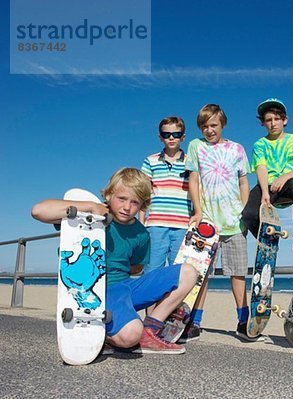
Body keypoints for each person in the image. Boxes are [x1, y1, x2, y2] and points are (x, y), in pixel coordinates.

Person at [31, 168, 198, 355]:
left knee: (189, 272)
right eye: (122, 199)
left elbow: (137, 268)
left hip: (126, 287)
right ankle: (106, 333)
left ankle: (150, 331)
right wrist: (91, 207)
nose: (127, 207)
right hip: (100, 290)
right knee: (130, 335)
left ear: (143, 204)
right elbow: (39, 211)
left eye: (135, 202)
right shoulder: (89, 219)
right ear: (109, 195)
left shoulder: (141, 233)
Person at [184, 104, 262, 342]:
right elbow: (194, 180)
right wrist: (197, 211)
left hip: (234, 223)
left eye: (213, 125)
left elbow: (243, 182)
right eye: (205, 126)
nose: (209, 130)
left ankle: (242, 321)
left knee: (238, 273)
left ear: (223, 124)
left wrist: (246, 212)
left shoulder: (237, 149)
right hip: (207, 222)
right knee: (201, 275)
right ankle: (194, 322)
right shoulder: (195, 147)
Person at [241, 98, 293, 262]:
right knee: (248, 213)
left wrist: (284, 178)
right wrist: (265, 192)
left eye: (277, 119)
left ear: (284, 120)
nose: (273, 123)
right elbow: (261, 168)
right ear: (263, 123)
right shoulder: (260, 144)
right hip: (267, 185)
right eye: (268, 120)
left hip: (289, 183)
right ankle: (269, 239)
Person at [140, 116, 192, 276]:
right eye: (166, 134)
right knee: (152, 269)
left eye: (176, 134)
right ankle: (149, 302)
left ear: (183, 137)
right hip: (155, 224)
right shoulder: (151, 161)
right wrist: (141, 221)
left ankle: (173, 302)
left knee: (178, 272)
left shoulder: (191, 162)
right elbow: (143, 192)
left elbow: (198, 192)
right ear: (160, 137)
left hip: (183, 225)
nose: (171, 138)